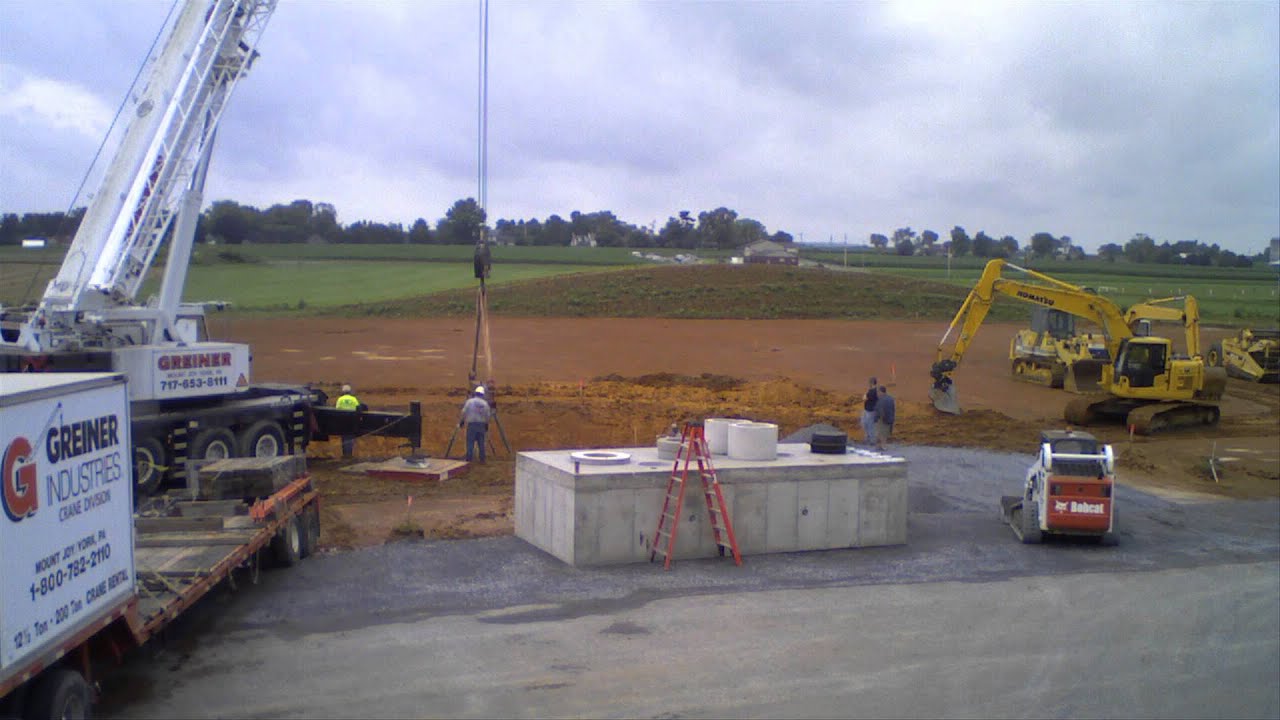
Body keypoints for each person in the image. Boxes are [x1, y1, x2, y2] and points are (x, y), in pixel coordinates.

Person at [459, 385, 492, 463]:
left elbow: (464, 412)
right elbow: (487, 415)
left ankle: (469, 459)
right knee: (481, 443)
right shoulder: (485, 403)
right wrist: (486, 424)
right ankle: (482, 459)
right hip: (481, 425)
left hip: (472, 425)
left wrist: (462, 421)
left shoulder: (470, 402)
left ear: (475, 393)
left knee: (470, 442)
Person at [335, 384, 360, 458]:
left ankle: (345, 454)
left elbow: (337, 409)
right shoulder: (354, 399)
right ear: (350, 391)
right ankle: (349, 454)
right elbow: (358, 408)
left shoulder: (340, 399)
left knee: (344, 438)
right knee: (350, 438)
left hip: (343, 421)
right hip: (351, 421)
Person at [874, 385, 896, 451]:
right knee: (885, 433)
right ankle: (882, 446)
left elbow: (879, 409)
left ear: (881, 392)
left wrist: (877, 417)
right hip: (889, 418)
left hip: (882, 419)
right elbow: (893, 409)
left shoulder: (880, 399)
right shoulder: (891, 398)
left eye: (878, 392)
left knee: (880, 433)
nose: (877, 393)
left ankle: (882, 446)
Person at [861, 376, 879, 446]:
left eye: (870, 382)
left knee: (870, 426)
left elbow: (864, 398)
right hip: (867, 410)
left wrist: (865, 395)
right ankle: (867, 438)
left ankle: (872, 441)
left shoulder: (873, 392)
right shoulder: (872, 391)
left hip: (870, 411)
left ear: (872, 383)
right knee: (865, 424)